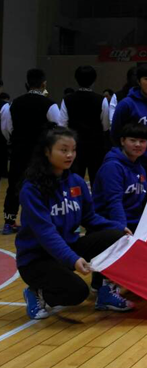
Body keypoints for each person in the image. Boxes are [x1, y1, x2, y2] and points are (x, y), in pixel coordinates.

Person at [16, 126, 134, 319]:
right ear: (47, 151)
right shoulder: (32, 189)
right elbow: (46, 233)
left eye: (73, 150)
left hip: (67, 248)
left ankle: (105, 293)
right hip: (37, 259)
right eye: (63, 150)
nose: (70, 155)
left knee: (116, 237)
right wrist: (73, 259)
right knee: (77, 292)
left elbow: (90, 218)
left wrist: (118, 227)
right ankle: (37, 292)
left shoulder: (76, 182)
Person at [1, 69, 63, 235]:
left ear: (26, 84)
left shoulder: (12, 104)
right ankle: (42, 221)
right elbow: (59, 128)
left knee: (14, 186)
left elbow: (7, 129)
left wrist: (16, 140)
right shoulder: (50, 105)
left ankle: (9, 222)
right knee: (43, 185)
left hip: (19, 151)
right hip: (41, 153)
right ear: (44, 84)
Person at [110, 64, 147, 181]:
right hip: (133, 164)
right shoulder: (126, 104)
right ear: (139, 81)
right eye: (146, 79)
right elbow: (115, 134)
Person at [93, 123, 147, 233]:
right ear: (122, 141)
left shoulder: (140, 168)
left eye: (142, 141)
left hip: (135, 223)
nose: (138, 144)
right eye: (133, 140)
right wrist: (122, 230)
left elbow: (143, 195)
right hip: (112, 226)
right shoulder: (112, 167)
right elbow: (114, 202)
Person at [58, 66, 110, 181]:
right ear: (94, 80)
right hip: (96, 146)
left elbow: (62, 125)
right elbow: (106, 126)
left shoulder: (67, 99)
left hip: (75, 146)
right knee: (96, 180)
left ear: (76, 79)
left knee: (75, 179)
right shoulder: (101, 100)